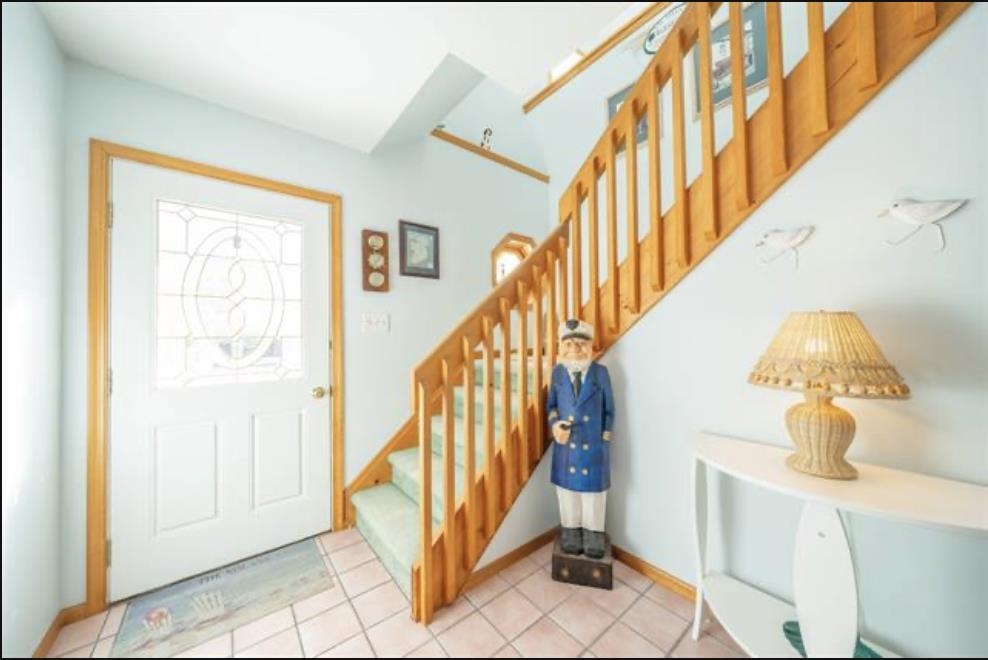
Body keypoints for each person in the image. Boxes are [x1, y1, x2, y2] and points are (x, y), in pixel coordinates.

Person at [546, 318, 615, 559]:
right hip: (566, 447)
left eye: (581, 344)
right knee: (567, 493)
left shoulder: (601, 373)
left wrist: (605, 437)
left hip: (593, 447)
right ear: (560, 348)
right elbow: (552, 407)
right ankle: (571, 530)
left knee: (593, 495)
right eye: (569, 344)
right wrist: (555, 426)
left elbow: (609, 409)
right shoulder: (557, 374)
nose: (575, 350)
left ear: (592, 347)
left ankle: (593, 532)